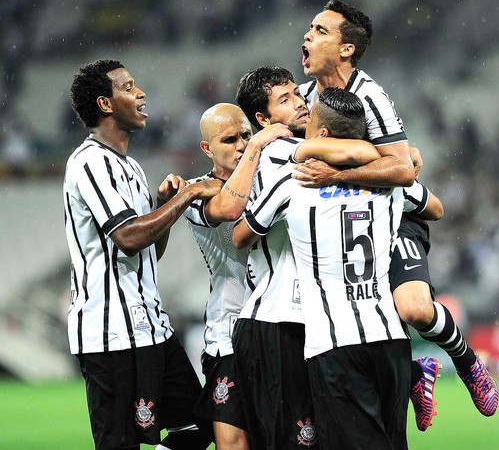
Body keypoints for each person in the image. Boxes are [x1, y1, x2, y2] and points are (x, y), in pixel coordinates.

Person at [296, 0, 499, 429]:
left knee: (411, 308)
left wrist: (335, 173)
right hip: (338, 219)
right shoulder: (302, 98)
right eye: (310, 28)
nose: (308, 36)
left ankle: (466, 362)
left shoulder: (369, 95)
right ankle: (412, 373)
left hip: (391, 213)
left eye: (321, 30)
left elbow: (404, 168)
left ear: (346, 49)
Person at [233, 87, 412, 449]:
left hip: (334, 344)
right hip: (391, 339)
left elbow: (241, 235)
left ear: (322, 135)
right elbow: (433, 204)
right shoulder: (392, 183)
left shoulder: (293, 181)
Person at [63, 59, 218, 450]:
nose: (141, 93)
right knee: (119, 443)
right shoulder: (89, 163)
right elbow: (128, 238)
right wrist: (186, 196)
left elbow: (148, 250)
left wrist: (164, 204)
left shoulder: (131, 168)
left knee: (200, 425)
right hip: (109, 334)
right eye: (129, 87)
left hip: (152, 327)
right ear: (105, 104)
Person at [182, 103, 292, 449]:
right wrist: (260, 145)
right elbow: (228, 209)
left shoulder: (273, 178)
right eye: (230, 139)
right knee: (233, 444)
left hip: (279, 328)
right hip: (228, 334)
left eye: (247, 135)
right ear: (207, 148)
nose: (243, 144)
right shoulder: (193, 191)